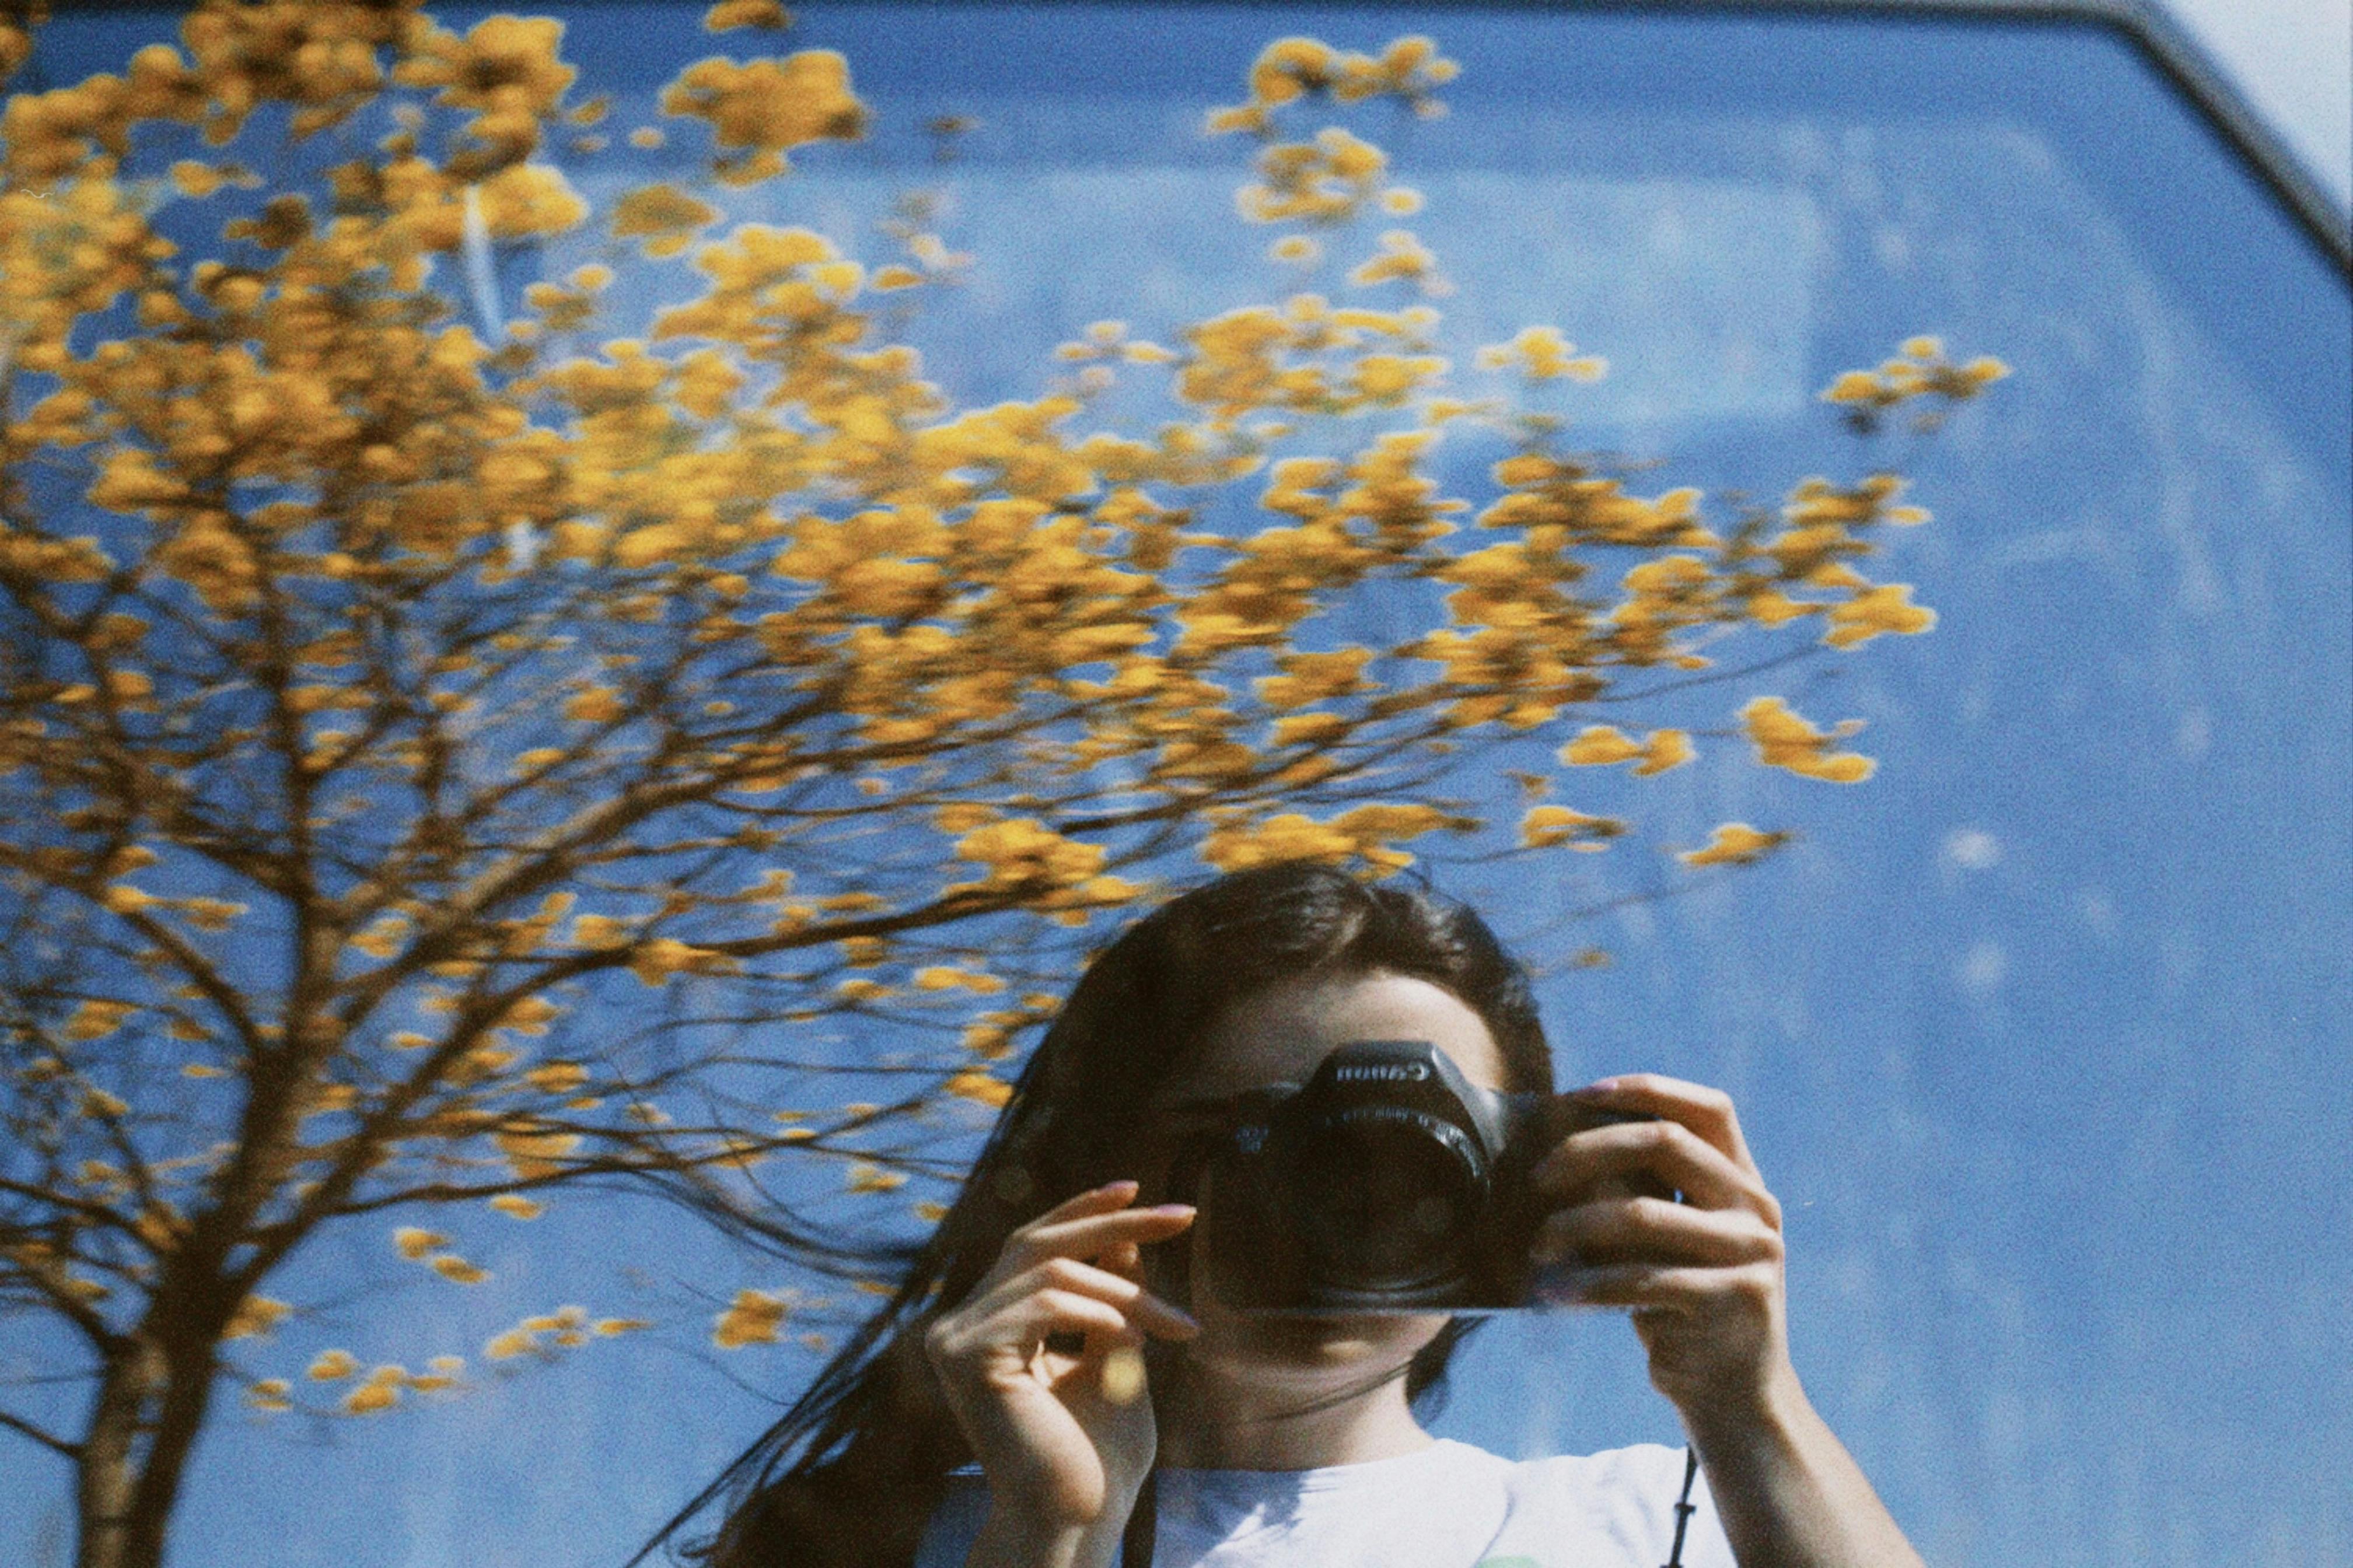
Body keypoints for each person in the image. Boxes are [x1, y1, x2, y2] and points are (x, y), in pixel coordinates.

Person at [656, 862, 1925, 1568]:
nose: (1348, 1201)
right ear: (1104, 1166)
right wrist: (1051, 1528)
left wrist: (1751, 1408)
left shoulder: (1658, 1523)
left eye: (1413, 1154)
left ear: (1522, 1186)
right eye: (1263, 1141)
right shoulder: (877, 1549)